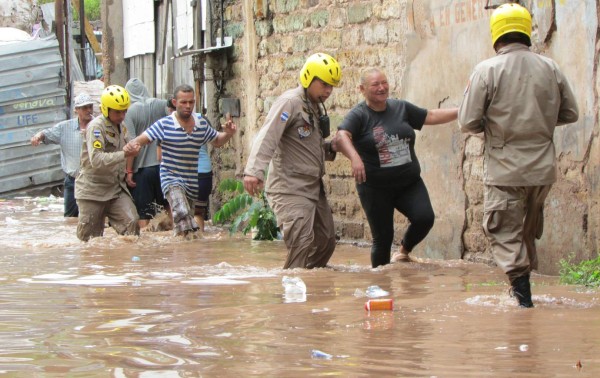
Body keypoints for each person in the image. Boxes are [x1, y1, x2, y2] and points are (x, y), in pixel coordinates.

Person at [458, 3, 579, 308]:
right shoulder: (550, 67)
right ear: (527, 31)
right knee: (527, 232)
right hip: (542, 170)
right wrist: (539, 121)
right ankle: (525, 297)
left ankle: (523, 301)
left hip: (505, 170)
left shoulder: (487, 70)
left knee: (503, 230)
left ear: (496, 35)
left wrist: (497, 124)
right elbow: (571, 112)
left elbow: (467, 121)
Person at [334, 67, 458, 268]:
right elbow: (341, 136)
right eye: (375, 84)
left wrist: (461, 111)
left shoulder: (400, 108)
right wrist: (355, 157)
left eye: (384, 83)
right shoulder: (359, 115)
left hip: (408, 183)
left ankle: (403, 252)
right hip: (375, 188)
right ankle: (381, 288)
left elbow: (431, 115)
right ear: (362, 89)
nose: (382, 88)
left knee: (425, 218)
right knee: (382, 239)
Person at [243, 52, 341, 269]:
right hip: (290, 188)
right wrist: (254, 171)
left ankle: (307, 289)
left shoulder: (313, 107)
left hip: (313, 187)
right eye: (324, 84)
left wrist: (331, 147)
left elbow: (305, 147)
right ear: (309, 77)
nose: (328, 91)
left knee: (326, 242)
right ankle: (293, 293)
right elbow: (268, 135)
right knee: (302, 242)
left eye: (331, 86)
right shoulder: (290, 103)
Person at [125, 84, 237, 236]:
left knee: (186, 222)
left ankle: (180, 252)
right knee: (183, 215)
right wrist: (129, 149)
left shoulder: (201, 124)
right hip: (171, 179)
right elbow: (141, 140)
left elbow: (217, 141)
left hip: (191, 182)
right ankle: (189, 253)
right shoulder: (164, 124)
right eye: (183, 102)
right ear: (174, 102)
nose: (188, 106)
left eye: (191, 102)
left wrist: (228, 134)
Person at [75, 85, 141, 241]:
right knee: (90, 241)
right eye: (117, 111)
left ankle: (129, 263)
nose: (122, 115)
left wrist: (134, 147)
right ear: (105, 109)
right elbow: (96, 160)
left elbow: (128, 145)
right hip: (93, 192)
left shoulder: (122, 127)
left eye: (124, 111)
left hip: (115, 189)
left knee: (132, 224)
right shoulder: (96, 128)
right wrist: (124, 153)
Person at [30, 93, 95, 217]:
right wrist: (38, 136)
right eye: (84, 107)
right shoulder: (65, 128)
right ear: (76, 110)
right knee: (70, 219)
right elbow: (47, 133)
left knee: (93, 217)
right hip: (73, 181)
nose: (88, 110)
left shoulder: (99, 125)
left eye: (90, 107)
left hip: (94, 181)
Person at [123, 78, 170, 229]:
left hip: (142, 170)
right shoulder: (161, 104)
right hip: (165, 168)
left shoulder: (129, 112)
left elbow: (132, 145)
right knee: (170, 209)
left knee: (144, 215)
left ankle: (145, 249)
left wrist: (129, 171)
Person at [194, 143, 213, 231]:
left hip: (184, 174)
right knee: (197, 213)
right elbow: (218, 141)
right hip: (204, 173)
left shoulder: (170, 129)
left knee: (181, 215)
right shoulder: (204, 129)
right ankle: (200, 242)